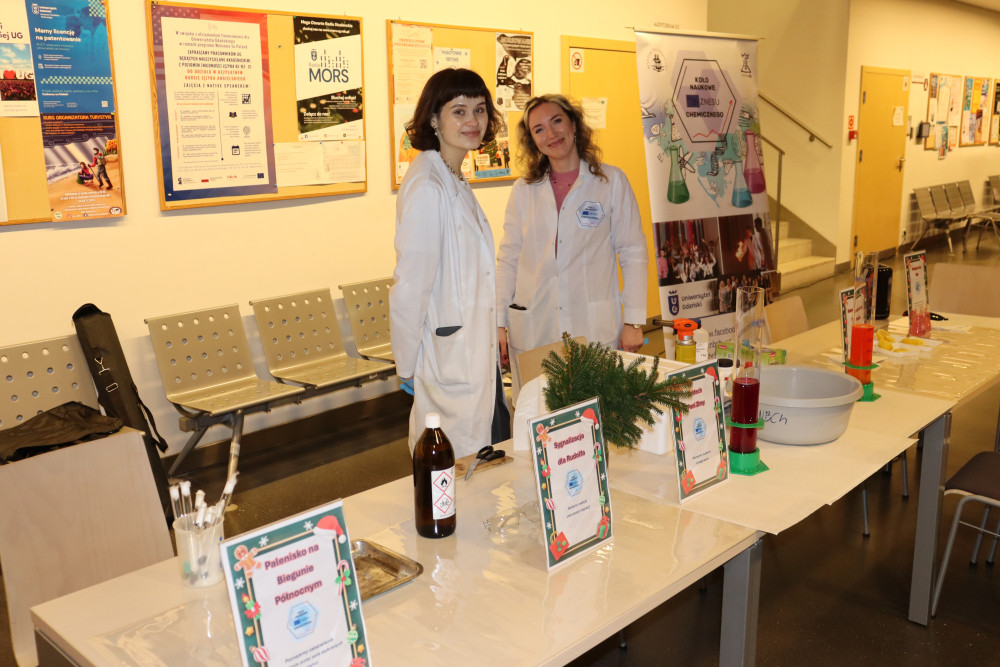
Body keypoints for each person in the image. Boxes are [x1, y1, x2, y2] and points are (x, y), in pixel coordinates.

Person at [389, 68, 509, 459]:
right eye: (459, 111)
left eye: (479, 109)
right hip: (451, 357)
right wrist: (407, 364)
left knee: (478, 458)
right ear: (433, 119)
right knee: (453, 466)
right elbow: (411, 285)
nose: (473, 121)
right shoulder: (428, 185)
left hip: (469, 349)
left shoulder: (450, 175)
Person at [496, 93, 648, 382]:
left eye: (557, 121)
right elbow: (508, 260)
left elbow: (633, 252)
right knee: (536, 406)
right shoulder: (523, 190)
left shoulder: (611, 182)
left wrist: (634, 320)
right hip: (534, 327)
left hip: (592, 327)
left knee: (595, 406)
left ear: (574, 125)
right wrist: (499, 322)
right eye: (539, 129)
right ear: (532, 140)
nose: (550, 134)